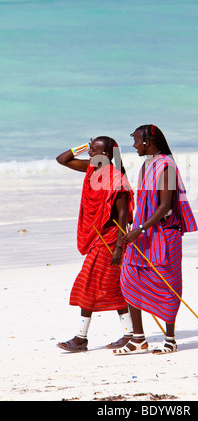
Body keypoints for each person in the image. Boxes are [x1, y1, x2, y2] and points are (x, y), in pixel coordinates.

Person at [113, 125, 197, 355]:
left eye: (136, 141)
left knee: (167, 285)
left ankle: (170, 339)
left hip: (164, 234)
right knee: (129, 278)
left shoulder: (166, 167)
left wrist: (139, 229)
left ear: (147, 143)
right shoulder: (146, 165)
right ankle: (138, 338)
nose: (133, 145)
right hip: (143, 234)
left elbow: (164, 206)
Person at [56, 136, 135, 352]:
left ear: (107, 155)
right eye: (90, 150)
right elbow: (62, 159)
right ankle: (129, 334)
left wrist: (120, 246)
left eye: (94, 151)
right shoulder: (93, 169)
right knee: (112, 288)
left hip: (110, 240)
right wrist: (83, 146)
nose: (89, 154)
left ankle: (81, 338)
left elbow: (122, 216)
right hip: (97, 238)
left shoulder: (116, 179)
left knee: (89, 284)